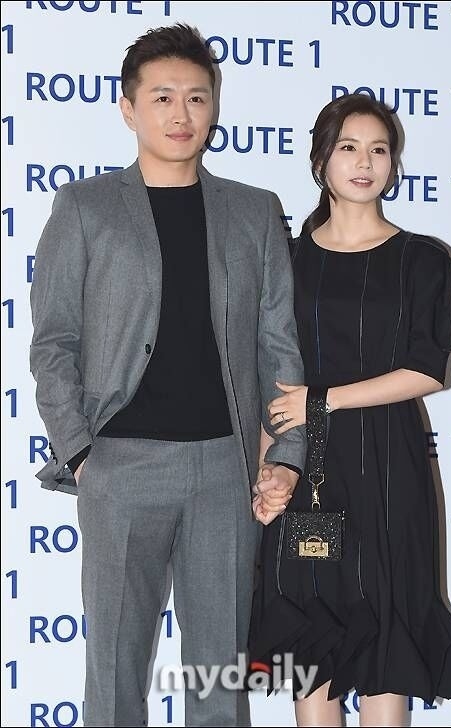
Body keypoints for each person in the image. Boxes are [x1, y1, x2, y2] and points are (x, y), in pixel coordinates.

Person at [29, 23, 307, 728]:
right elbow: (54, 341)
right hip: (120, 466)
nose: (181, 114)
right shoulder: (85, 208)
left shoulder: (254, 211)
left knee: (219, 680)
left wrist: (286, 454)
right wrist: (82, 453)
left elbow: (279, 347)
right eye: (162, 98)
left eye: (196, 97)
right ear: (129, 109)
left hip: (225, 471)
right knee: (115, 675)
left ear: (214, 105)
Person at [248, 93, 451, 727]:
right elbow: (272, 377)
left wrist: (325, 400)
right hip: (306, 470)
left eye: (379, 150)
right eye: (349, 147)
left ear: (394, 164)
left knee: (386, 632)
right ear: (321, 160)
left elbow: (428, 368)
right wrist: (267, 473)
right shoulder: (286, 260)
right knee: (310, 637)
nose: (365, 162)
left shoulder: (425, 259)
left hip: (390, 468)